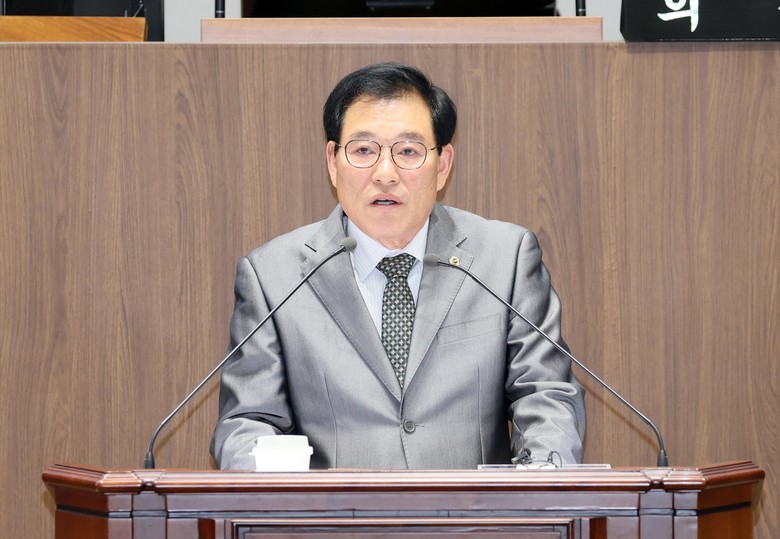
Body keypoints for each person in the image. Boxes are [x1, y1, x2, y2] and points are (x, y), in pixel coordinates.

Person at [211, 62, 586, 470]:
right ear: (333, 162)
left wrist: (542, 481)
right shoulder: (273, 277)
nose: (385, 174)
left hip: (473, 510)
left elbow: (547, 395)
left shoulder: (504, 259)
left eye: (408, 151)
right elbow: (247, 423)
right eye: (363, 151)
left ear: (443, 165)